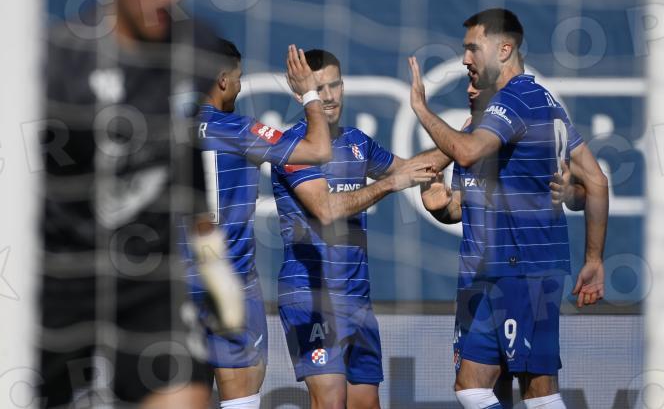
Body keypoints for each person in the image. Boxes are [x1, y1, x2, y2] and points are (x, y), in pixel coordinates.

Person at [39, 0, 243, 408]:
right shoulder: (61, 62)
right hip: (58, 276)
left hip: (147, 279)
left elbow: (183, 144)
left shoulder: (194, 48)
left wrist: (210, 250)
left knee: (186, 396)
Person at [408, 8, 609, 409]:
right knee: (474, 387)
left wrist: (421, 108)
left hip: (523, 269)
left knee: (537, 390)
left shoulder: (518, 100)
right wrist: (441, 208)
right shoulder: (526, 107)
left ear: (504, 49)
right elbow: (594, 183)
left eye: (472, 48)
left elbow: (593, 183)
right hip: (491, 271)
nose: (465, 60)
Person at [271, 49, 445, 409]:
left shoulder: (358, 142)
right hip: (312, 295)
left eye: (335, 85)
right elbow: (326, 209)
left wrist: (473, 136)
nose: (329, 96)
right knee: (331, 402)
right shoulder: (292, 147)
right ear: (301, 95)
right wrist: (389, 184)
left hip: (357, 298)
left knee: (366, 404)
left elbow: (414, 168)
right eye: (319, 88)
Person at [420, 82, 587, 407]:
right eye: (468, 78)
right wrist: (439, 207)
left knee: (534, 387)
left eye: (477, 78)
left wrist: (569, 193)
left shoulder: (532, 129)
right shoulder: (466, 139)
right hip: (473, 281)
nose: (470, 88)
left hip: (517, 274)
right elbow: (459, 206)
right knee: (482, 389)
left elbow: (587, 189)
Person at [186, 39, 332, 409]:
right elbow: (318, 149)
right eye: (238, 79)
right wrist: (309, 94)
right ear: (222, 80)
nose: (239, 87)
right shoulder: (239, 130)